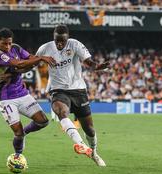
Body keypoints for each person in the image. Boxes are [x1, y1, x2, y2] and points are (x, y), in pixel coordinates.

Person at [36, 24, 109, 166]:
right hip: (58, 90)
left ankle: (93, 152)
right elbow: (31, 62)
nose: (59, 43)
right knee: (60, 111)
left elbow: (88, 62)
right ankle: (81, 145)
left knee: (89, 129)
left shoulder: (75, 45)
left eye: (62, 40)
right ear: (54, 37)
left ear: (67, 38)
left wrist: (97, 67)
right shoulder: (45, 48)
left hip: (78, 90)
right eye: (57, 40)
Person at [0, 28, 56, 156]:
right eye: (4, 43)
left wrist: (32, 62)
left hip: (22, 93)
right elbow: (20, 64)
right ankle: (18, 156)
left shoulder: (15, 47)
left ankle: (24, 132)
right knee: (17, 133)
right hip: (5, 97)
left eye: (9, 43)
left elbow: (30, 59)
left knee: (43, 121)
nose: (8, 46)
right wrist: (40, 59)